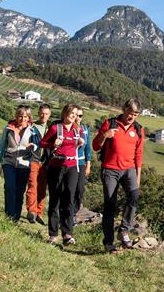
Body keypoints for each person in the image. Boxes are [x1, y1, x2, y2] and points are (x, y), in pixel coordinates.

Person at [93, 99, 145, 253]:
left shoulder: (138, 129)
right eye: (130, 113)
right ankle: (108, 243)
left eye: (135, 114)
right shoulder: (110, 124)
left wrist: (138, 176)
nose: (132, 117)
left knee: (134, 196)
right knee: (110, 204)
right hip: (110, 169)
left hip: (129, 169)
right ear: (124, 110)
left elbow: (139, 154)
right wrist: (105, 135)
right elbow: (96, 146)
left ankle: (124, 230)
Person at [40, 104, 84, 245]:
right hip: (56, 166)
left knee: (69, 198)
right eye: (72, 113)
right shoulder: (55, 128)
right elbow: (42, 143)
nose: (74, 116)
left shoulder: (78, 130)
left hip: (72, 166)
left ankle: (67, 234)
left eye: (76, 114)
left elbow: (79, 145)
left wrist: (81, 142)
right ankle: (53, 234)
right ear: (65, 113)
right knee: (55, 199)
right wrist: (53, 143)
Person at [0, 105, 41, 222]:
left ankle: (15, 218)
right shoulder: (8, 128)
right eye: (20, 116)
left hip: (24, 164)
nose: (23, 119)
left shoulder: (33, 130)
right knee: (10, 188)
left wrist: (33, 147)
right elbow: (1, 147)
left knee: (19, 191)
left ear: (29, 117)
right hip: (8, 162)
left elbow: (38, 145)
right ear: (16, 116)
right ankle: (9, 216)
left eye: (25, 116)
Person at [25, 103, 51, 224]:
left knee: (42, 189)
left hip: (45, 162)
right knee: (32, 185)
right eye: (41, 113)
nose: (43, 115)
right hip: (33, 160)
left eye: (46, 114)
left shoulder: (52, 128)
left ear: (49, 115)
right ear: (38, 113)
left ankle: (39, 213)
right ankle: (31, 211)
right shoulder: (32, 127)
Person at [73, 107, 92, 223]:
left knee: (80, 189)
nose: (78, 118)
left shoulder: (85, 129)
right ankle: (68, 215)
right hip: (70, 162)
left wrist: (88, 164)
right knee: (70, 189)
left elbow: (88, 148)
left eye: (80, 116)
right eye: (76, 115)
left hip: (81, 163)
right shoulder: (68, 128)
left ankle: (74, 212)